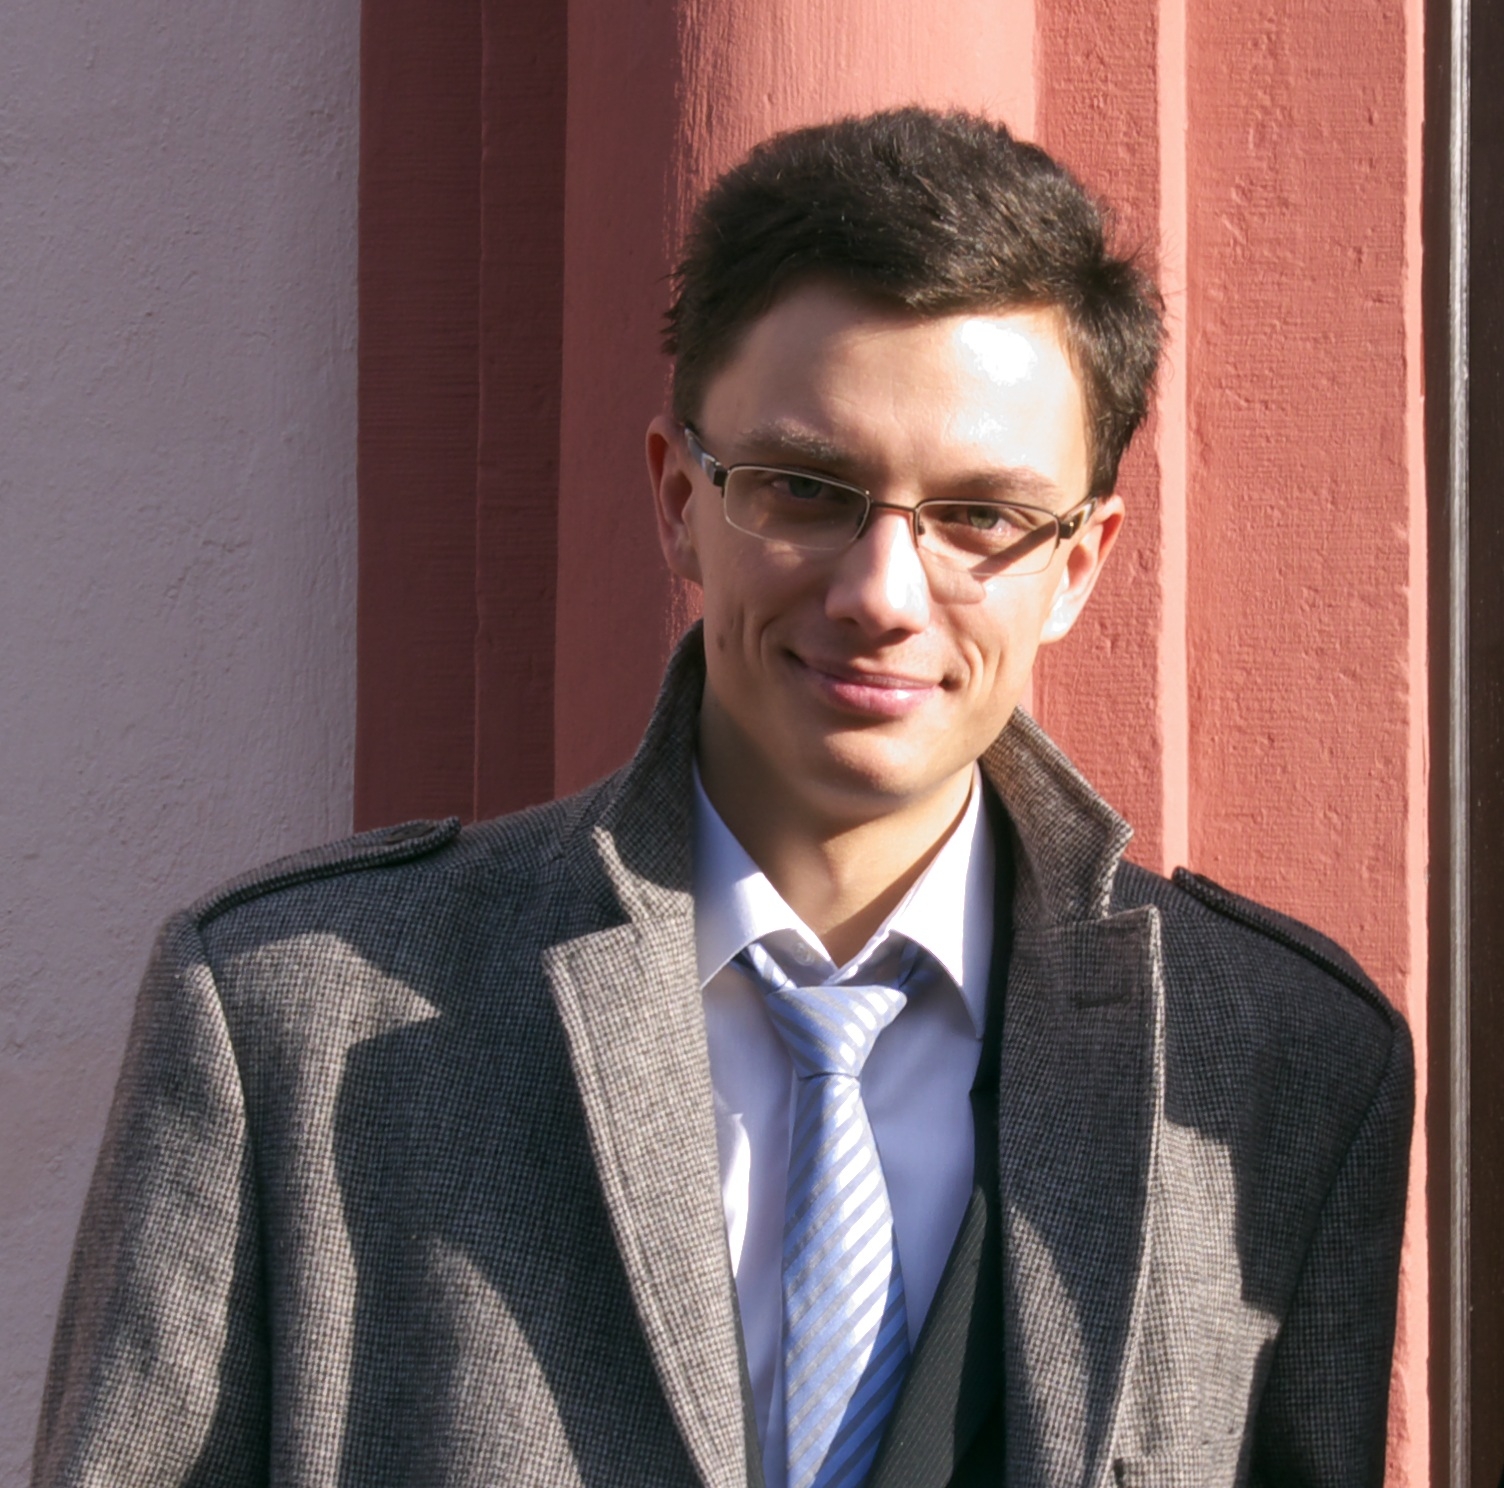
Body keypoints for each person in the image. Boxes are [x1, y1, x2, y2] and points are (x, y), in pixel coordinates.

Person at [33, 109, 1411, 1488]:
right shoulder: (289, 1017)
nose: (881, 593)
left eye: (981, 517)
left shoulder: (1281, 1067)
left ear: (1080, 564)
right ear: (679, 500)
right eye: (805, 489)